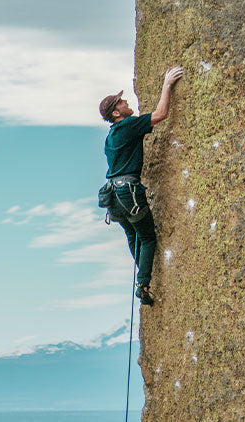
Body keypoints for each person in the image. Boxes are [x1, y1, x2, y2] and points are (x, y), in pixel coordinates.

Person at [98, 66, 183, 305]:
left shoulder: (111, 136)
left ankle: (143, 277)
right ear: (117, 113)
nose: (126, 103)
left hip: (113, 198)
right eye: (122, 103)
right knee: (146, 236)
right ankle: (143, 283)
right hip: (128, 192)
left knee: (133, 237)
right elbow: (160, 114)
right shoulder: (127, 125)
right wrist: (167, 85)